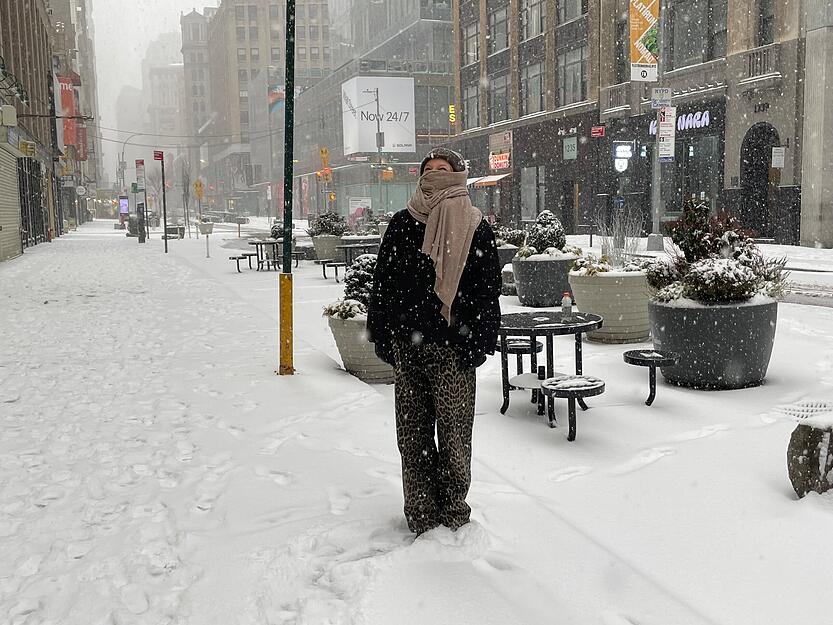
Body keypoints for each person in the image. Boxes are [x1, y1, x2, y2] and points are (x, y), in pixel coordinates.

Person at [367, 147, 502, 535]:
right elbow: (383, 282)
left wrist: (478, 341)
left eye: (443, 169)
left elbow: (486, 289)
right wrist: (381, 331)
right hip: (408, 347)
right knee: (413, 435)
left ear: (457, 176)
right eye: (429, 169)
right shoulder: (402, 222)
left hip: (452, 349)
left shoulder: (473, 225)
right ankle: (421, 513)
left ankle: (454, 511)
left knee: (455, 436)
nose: (435, 174)